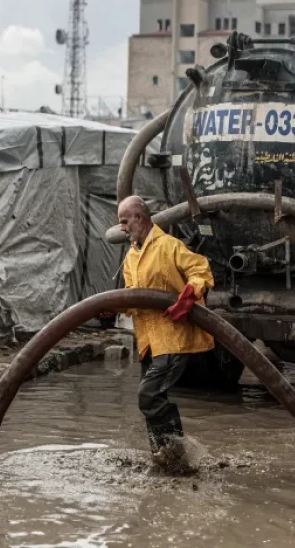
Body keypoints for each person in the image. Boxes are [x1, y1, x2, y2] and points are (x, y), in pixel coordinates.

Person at [115, 195, 215, 467]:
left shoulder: (169, 246)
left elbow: (201, 270)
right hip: (148, 342)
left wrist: (188, 297)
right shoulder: (131, 257)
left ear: (139, 217)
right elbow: (133, 298)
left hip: (173, 338)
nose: (122, 228)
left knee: (148, 396)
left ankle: (175, 450)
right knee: (151, 399)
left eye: (124, 221)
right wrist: (113, 306)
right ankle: (164, 457)